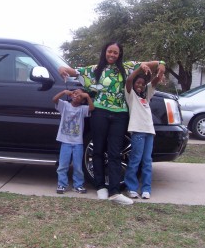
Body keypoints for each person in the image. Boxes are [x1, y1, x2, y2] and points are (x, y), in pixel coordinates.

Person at [58, 42, 165, 205]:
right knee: (98, 150)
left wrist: (162, 65)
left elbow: (155, 64)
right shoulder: (95, 69)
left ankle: (115, 192)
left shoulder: (128, 67)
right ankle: (100, 187)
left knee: (115, 152)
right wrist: (60, 69)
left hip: (120, 114)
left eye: (116, 53)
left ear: (119, 54)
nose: (112, 55)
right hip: (99, 112)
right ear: (105, 52)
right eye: (110, 52)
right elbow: (74, 71)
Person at [124, 63, 164, 200]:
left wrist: (160, 70)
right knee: (135, 159)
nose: (140, 85)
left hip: (149, 132)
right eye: (138, 83)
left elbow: (155, 81)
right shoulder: (131, 95)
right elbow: (129, 80)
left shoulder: (146, 96)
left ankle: (146, 189)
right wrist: (139, 69)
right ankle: (131, 188)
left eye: (142, 83)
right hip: (138, 131)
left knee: (147, 161)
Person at [53, 88, 95, 194]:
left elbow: (92, 108)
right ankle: (62, 184)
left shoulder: (82, 109)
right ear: (71, 95)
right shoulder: (65, 105)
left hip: (78, 143)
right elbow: (54, 99)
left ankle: (78, 185)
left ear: (83, 100)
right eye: (75, 93)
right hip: (65, 141)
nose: (77, 96)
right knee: (63, 165)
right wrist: (63, 92)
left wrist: (88, 97)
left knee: (78, 166)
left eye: (80, 96)